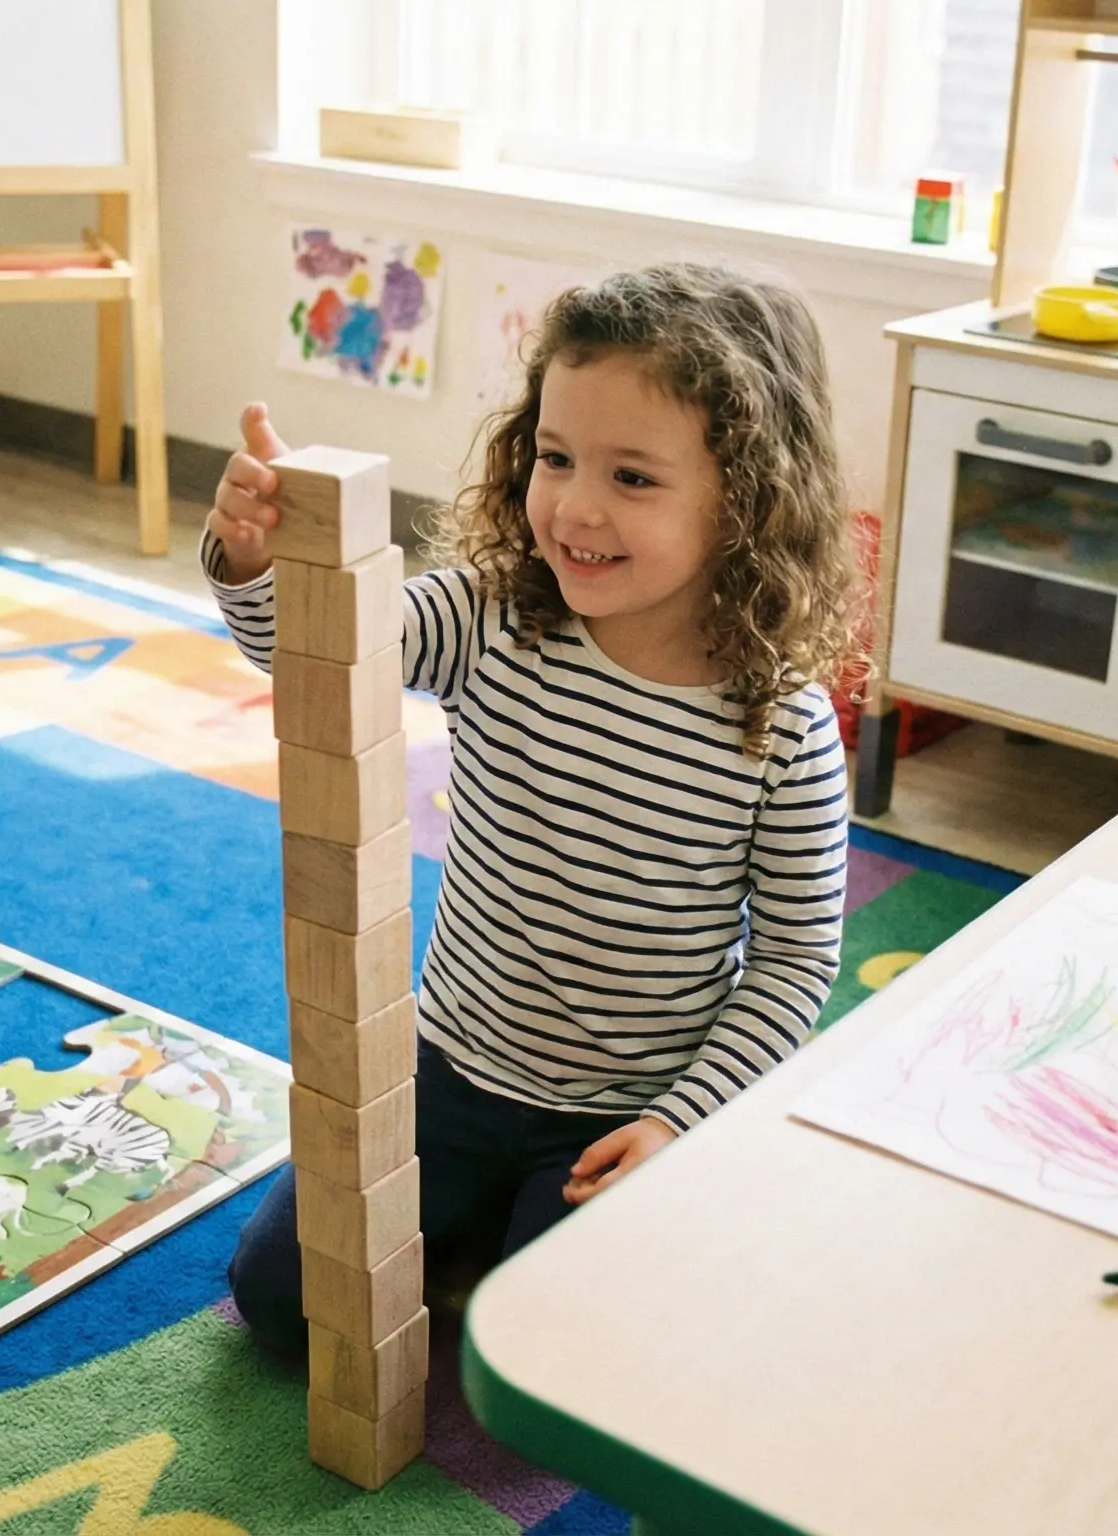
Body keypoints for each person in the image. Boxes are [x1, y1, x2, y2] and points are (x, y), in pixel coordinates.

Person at [205, 263, 857, 1354]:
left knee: (550, 1353)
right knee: (280, 1300)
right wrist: (255, 560)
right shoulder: (491, 614)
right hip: (446, 1071)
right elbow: (313, 660)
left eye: (634, 479)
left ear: (744, 499)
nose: (575, 507)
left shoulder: (779, 726)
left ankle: (517, 1246)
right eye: (554, 458)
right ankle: (473, 1239)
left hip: (620, 1114)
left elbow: (793, 964)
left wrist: (673, 1123)